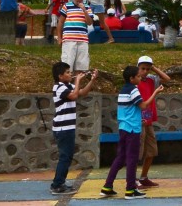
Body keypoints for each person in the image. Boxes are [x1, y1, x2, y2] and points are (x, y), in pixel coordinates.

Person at [100, 65, 163, 199]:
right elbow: (144, 106)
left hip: (124, 127)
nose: (140, 78)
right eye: (138, 76)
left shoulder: (123, 90)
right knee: (132, 159)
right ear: (131, 78)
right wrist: (155, 93)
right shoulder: (133, 90)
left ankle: (107, 186)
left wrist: (139, 119)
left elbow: (128, 110)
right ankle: (130, 189)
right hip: (132, 129)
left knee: (120, 158)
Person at [50, 62, 97, 195]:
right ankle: (57, 185)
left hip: (68, 127)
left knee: (67, 156)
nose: (70, 74)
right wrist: (77, 81)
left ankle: (60, 183)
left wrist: (92, 80)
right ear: (60, 76)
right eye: (67, 72)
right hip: (62, 127)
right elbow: (74, 96)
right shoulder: (59, 87)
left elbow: (82, 92)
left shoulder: (67, 86)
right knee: (65, 157)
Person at [57, 0, 113, 72]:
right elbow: (61, 22)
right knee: (67, 64)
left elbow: (89, 22)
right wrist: (59, 37)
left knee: (81, 66)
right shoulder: (67, 6)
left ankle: (78, 80)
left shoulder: (87, 7)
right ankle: (68, 80)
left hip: (82, 40)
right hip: (69, 39)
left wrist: (84, 10)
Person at [136, 55, 171, 188]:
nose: (145, 71)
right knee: (137, 151)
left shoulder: (151, 79)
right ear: (138, 68)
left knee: (151, 150)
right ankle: (132, 178)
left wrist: (154, 68)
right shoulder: (135, 81)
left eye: (147, 69)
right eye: (142, 68)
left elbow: (167, 79)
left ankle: (144, 177)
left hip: (149, 119)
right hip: (138, 120)